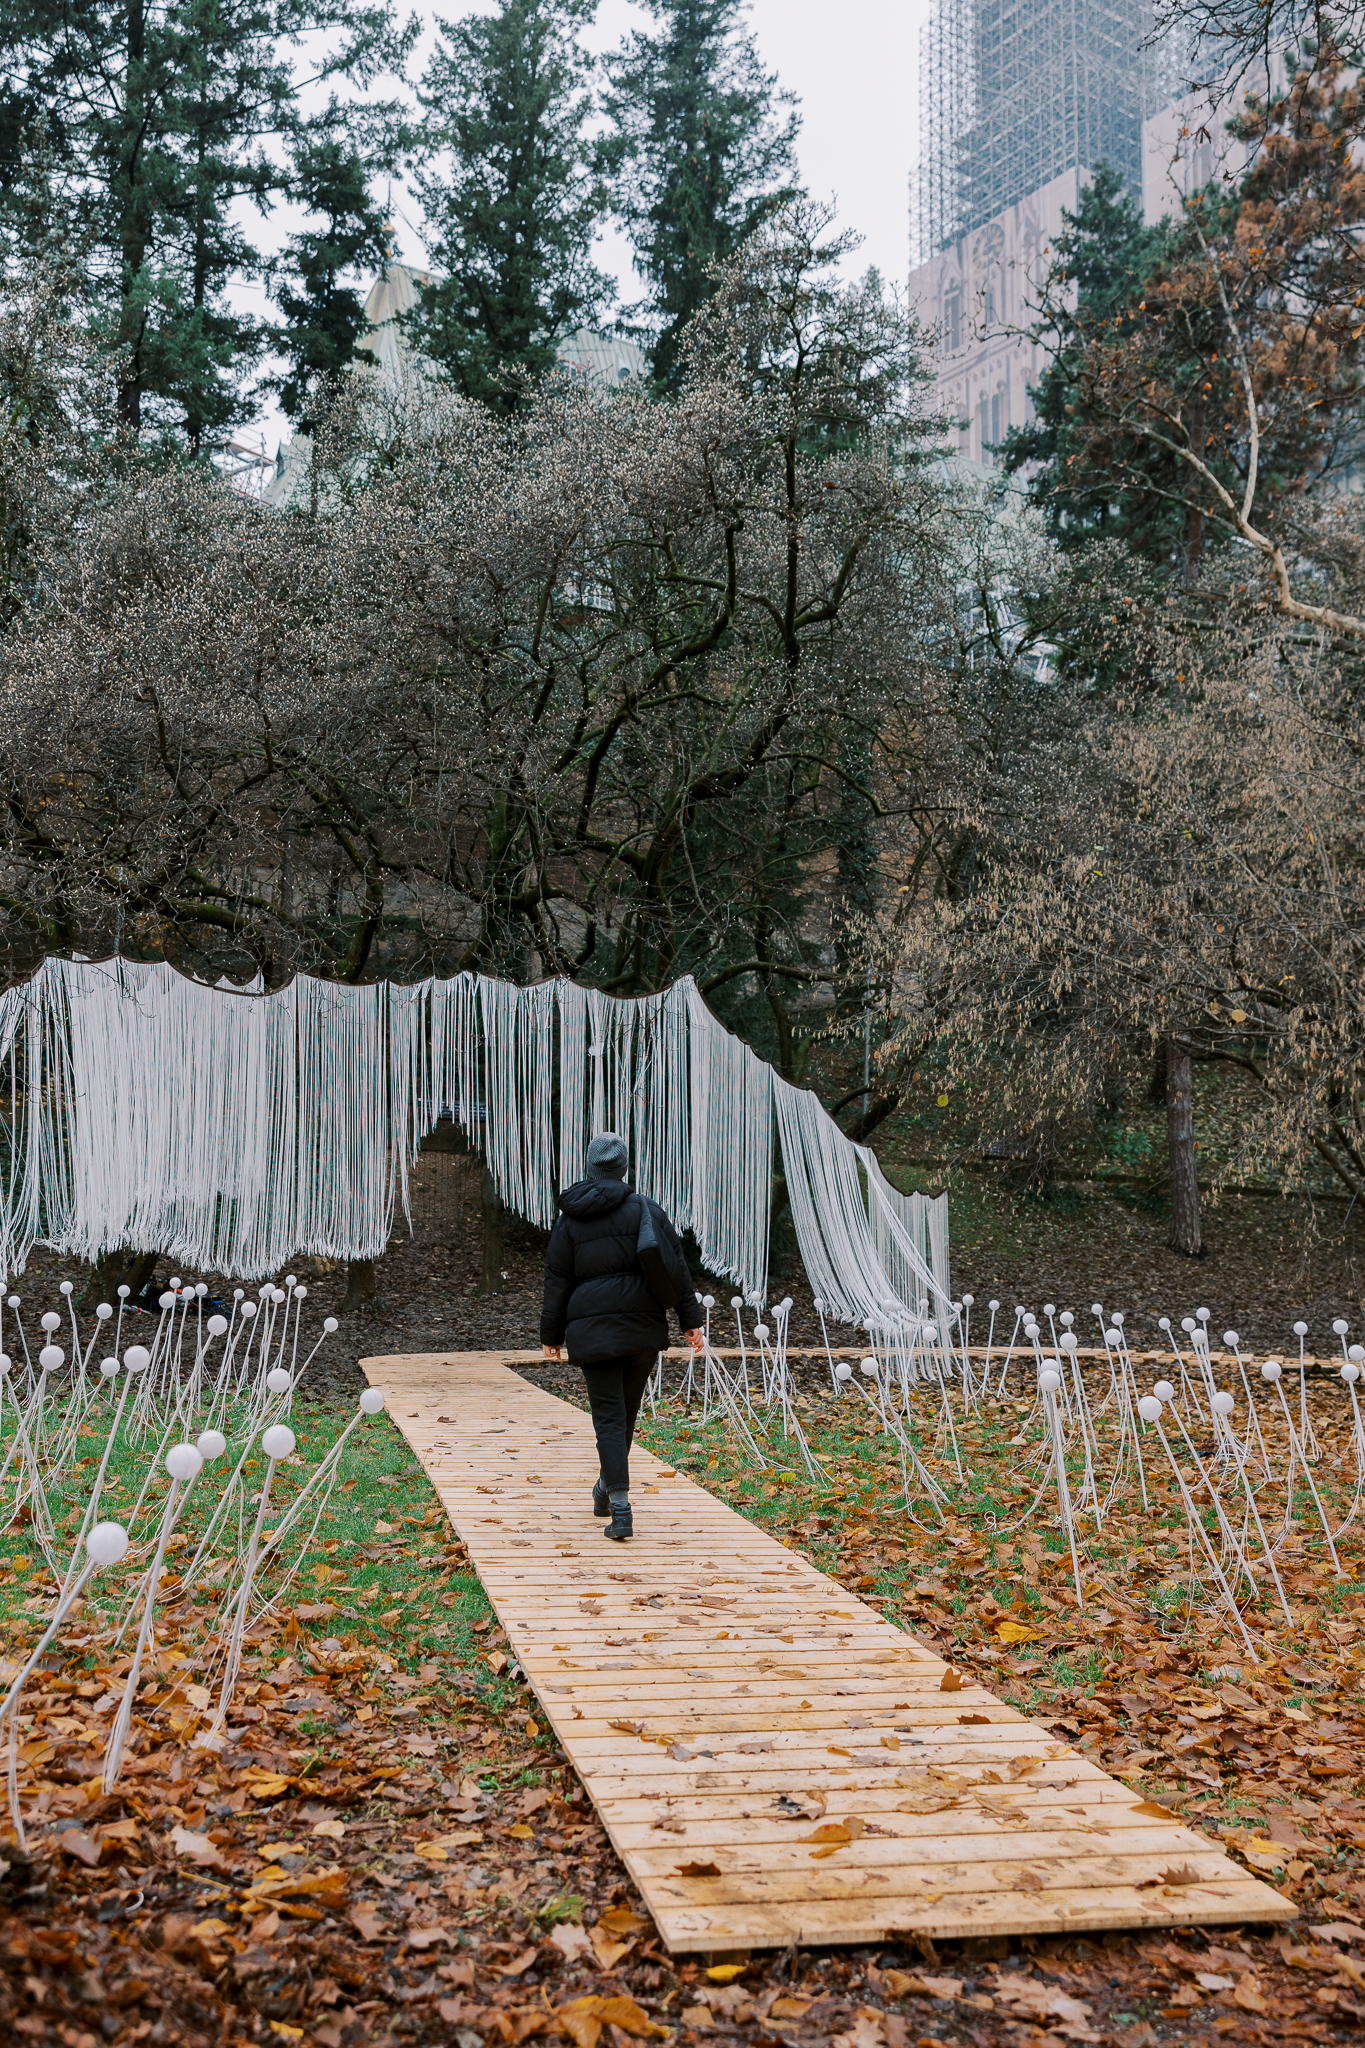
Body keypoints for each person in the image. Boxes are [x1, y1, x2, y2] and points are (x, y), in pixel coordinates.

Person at [540, 1130, 705, 1541]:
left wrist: (551, 1334)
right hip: (642, 1330)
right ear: (623, 1168)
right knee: (624, 1415)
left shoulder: (570, 1217)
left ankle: (617, 1503)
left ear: (590, 1168)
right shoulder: (646, 1209)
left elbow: (557, 1279)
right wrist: (690, 1318)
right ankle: (606, 1493)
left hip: (593, 1334)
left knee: (610, 1418)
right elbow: (676, 1267)